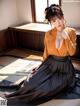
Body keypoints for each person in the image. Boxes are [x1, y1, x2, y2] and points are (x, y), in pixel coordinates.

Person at [5, 4, 77, 103]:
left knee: (43, 90)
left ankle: (9, 102)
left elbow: (72, 52)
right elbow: (46, 52)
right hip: (50, 64)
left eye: (59, 18)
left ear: (63, 17)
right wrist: (40, 66)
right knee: (29, 84)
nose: (58, 22)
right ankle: (6, 100)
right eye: (54, 21)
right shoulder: (48, 34)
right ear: (51, 22)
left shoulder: (71, 32)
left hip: (64, 69)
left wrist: (66, 37)